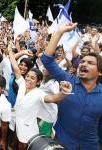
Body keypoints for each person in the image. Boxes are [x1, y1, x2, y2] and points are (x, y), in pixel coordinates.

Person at [41, 22, 102, 150]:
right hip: (61, 142)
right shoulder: (68, 80)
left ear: (100, 72)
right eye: (83, 61)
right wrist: (59, 32)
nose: (83, 64)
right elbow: (46, 59)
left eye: (90, 63)